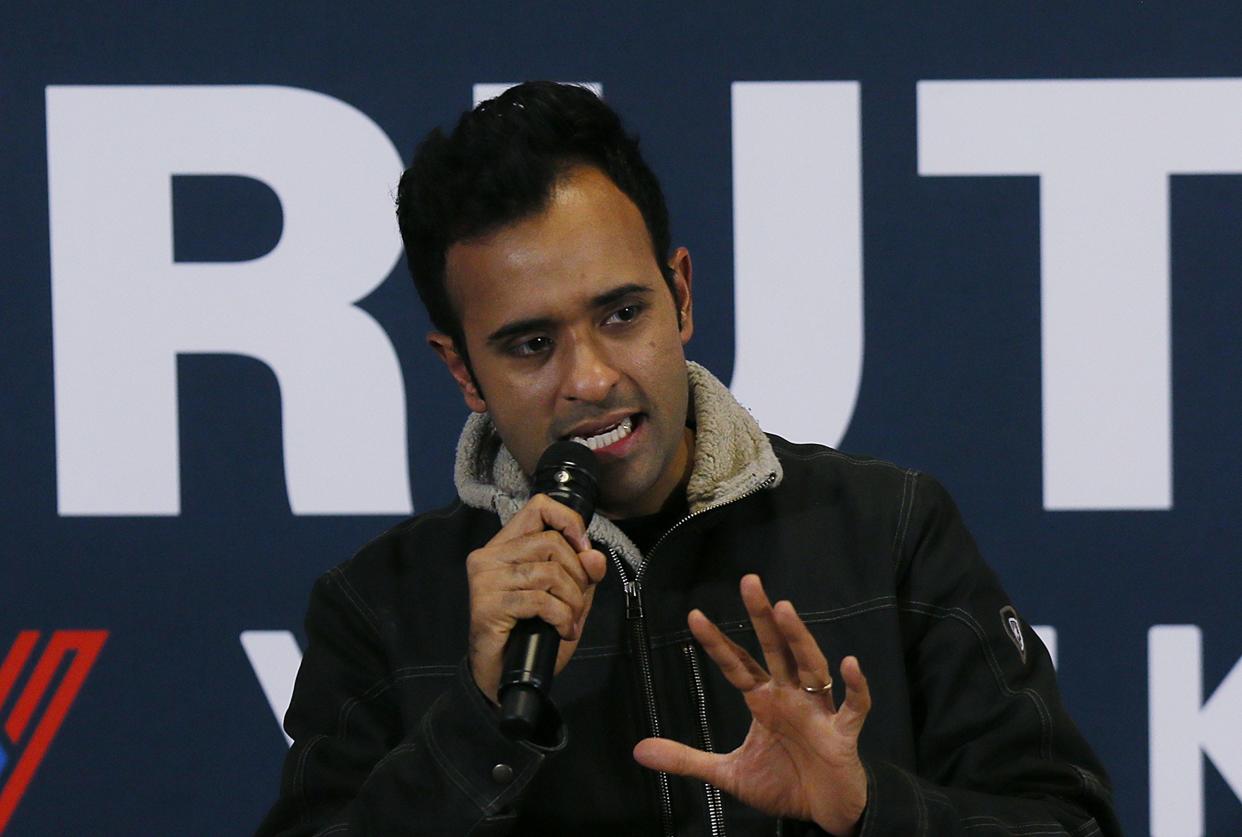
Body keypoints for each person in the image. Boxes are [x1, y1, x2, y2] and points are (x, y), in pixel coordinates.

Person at [258, 82, 1120, 836]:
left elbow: (1070, 823)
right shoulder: (381, 607)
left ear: (680, 296)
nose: (590, 378)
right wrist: (478, 725)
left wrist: (866, 810)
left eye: (623, 313)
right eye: (529, 344)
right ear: (462, 370)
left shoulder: (888, 530)